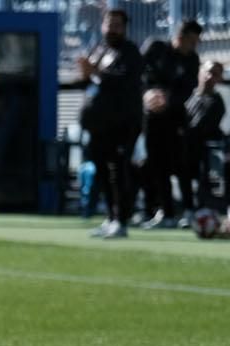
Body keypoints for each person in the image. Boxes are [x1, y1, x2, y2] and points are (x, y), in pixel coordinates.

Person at [71, 7, 143, 239]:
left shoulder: (130, 52)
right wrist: (83, 75)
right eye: (108, 24)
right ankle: (111, 217)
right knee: (101, 171)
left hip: (123, 122)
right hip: (99, 124)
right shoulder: (99, 49)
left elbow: (122, 81)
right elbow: (90, 82)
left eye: (117, 25)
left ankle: (121, 220)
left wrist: (95, 72)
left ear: (124, 28)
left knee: (118, 170)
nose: (112, 29)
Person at [140, 19, 202, 227]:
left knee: (181, 164)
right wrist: (148, 95)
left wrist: (167, 99)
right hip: (152, 118)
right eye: (191, 41)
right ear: (180, 37)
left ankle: (189, 210)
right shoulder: (155, 48)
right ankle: (166, 213)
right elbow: (139, 75)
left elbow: (187, 89)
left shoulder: (192, 60)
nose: (194, 46)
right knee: (157, 165)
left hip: (175, 118)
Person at [185, 60, 226, 213]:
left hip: (202, 150)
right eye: (207, 72)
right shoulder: (186, 95)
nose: (209, 77)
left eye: (215, 74)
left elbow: (199, 127)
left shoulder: (216, 102)